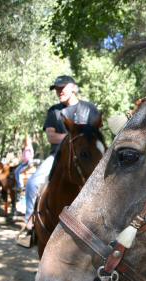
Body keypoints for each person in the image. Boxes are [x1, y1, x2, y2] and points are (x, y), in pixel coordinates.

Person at [24, 75, 101, 228]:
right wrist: (73, 138)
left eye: (62, 88)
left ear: (73, 88)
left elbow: (97, 135)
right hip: (58, 156)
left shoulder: (90, 109)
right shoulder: (54, 111)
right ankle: (29, 223)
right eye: (57, 89)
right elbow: (51, 137)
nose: (59, 91)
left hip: (87, 157)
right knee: (32, 184)